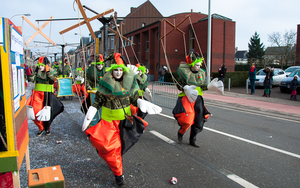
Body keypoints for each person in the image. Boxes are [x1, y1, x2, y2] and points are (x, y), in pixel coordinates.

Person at [82, 53, 160, 186]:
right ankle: (119, 175)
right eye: (115, 70)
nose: (118, 72)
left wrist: (141, 103)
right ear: (111, 71)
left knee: (119, 148)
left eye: (120, 70)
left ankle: (114, 163)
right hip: (108, 122)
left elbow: (134, 98)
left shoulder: (129, 84)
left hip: (125, 121)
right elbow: (97, 103)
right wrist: (90, 114)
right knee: (112, 148)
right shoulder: (105, 85)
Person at [173, 52, 210, 148]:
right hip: (186, 98)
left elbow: (203, 86)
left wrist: (211, 87)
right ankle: (181, 132)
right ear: (192, 64)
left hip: (198, 99)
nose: (198, 67)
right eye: (196, 65)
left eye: (199, 65)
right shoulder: (183, 73)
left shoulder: (201, 74)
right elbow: (178, 85)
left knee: (199, 120)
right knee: (187, 120)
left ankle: (193, 139)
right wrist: (185, 87)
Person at [26, 57, 64, 136]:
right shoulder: (37, 71)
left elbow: (52, 80)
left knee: (48, 112)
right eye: (39, 65)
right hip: (37, 94)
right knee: (35, 112)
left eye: (42, 65)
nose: (40, 67)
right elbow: (32, 79)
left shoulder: (52, 71)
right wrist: (35, 72)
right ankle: (40, 127)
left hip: (48, 94)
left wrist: (48, 72)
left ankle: (47, 128)